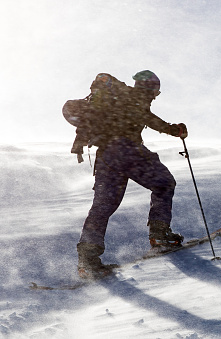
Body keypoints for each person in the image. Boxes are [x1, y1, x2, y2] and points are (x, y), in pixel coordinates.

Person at [76, 70, 187, 279]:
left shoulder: (120, 99)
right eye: (156, 91)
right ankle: (159, 235)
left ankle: (87, 261)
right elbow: (149, 119)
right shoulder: (136, 98)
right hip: (127, 151)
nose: (155, 96)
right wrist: (175, 130)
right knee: (164, 184)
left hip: (106, 156)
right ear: (150, 88)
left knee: (102, 206)